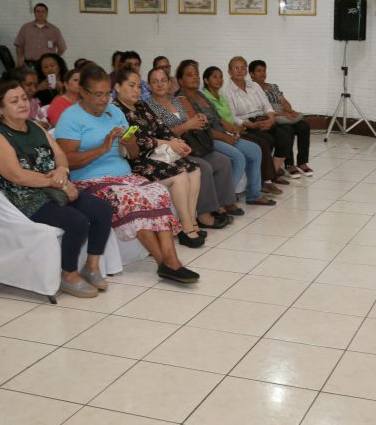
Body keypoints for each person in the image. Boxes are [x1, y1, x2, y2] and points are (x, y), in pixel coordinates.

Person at [54, 65, 198, 283]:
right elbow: (67, 161)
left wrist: (130, 144)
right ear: (83, 92)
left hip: (124, 175)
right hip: (89, 179)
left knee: (158, 191)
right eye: (98, 94)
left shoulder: (115, 112)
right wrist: (102, 149)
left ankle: (171, 261)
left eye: (106, 94)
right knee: (133, 199)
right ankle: (166, 263)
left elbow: (132, 154)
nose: (104, 100)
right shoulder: (71, 117)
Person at [0, 79, 114, 298]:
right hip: (23, 199)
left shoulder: (33, 126)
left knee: (102, 209)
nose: (22, 104)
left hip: (53, 189)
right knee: (76, 220)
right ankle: (68, 274)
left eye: (24, 98)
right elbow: (18, 176)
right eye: (14, 101)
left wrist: (62, 170)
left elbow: (60, 154)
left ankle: (91, 266)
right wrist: (59, 182)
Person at [112, 69, 205, 248]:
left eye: (139, 86)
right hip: (137, 159)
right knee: (180, 174)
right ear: (117, 87)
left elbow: (162, 128)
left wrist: (176, 141)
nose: (136, 90)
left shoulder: (141, 106)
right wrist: (164, 142)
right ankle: (185, 229)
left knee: (194, 168)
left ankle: (192, 221)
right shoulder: (116, 110)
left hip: (157, 154)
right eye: (131, 86)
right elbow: (134, 141)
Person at [146, 66, 239, 228]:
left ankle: (222, 204)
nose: (160, 85)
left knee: (223, 161)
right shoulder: (148, 107)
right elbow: (157, 136)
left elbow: (188, 121)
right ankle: (203, 214)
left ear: (169, 83)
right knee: (204, 167)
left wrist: (198, 119)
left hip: (192, 144)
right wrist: (186, 126)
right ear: (149, 85)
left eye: (163, 81)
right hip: (170, 150)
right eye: (155, 81)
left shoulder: (174, 100)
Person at [174, 61, 275, 206]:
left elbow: (218, 119)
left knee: (255, 150)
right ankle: (224, 201)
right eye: (190, 75)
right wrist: (224, 137)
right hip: (206, 139)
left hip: (222, 134)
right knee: (237, 157)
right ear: (180, 80)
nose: (195, 77)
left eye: (196, 74)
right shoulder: (182, 99)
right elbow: (200, 128)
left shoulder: (200, 95)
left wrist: (233, 129)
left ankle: (254, 194)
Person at [202, 66, 285, 196]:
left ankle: (259, 188)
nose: (219, 80)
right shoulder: (208, 96)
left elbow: (224, 119)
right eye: (214, 77)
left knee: (278, 135)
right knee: (261, 143)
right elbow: (222, 121)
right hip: (225, 132)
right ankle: (229, 196)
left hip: (234, 129)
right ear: (206, 80)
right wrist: (240, 127)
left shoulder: (220, 95)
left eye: (220, 77)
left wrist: (270, 117)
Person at [223, 56, 295, 179]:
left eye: (243, 68)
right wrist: (252, 125)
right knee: (267, 140)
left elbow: (267, 106)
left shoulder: (254, 86)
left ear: (246, 71)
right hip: (247, 124)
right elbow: (233, 117)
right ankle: (267, 177)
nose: (240, 71)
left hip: (263, 119)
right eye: (236, 68)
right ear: (229, 72)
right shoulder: (226, 92)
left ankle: (272, 173)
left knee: (286, 138)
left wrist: (271, 119)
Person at [249, 59, 313, 178]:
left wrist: (290, 111)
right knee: (287, 129)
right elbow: (261, 110)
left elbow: (284, 101)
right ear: (251, 74)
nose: (263, 73)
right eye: (258, 71)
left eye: (264, 70)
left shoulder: (273, 86)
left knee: (304, 126)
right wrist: (282, 115)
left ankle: (302, 162)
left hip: (284, 115)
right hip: (271, 117)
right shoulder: (252, 90)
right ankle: (289, 164)